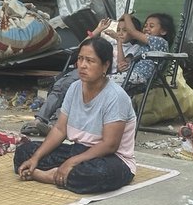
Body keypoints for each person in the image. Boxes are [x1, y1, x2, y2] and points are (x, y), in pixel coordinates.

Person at [15, 36, 137, 194]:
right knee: (24, 152)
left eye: (90, 61)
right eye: (80, 59)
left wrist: (72, 162)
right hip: (79, 150)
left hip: (111, 158)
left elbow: (110, 145)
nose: (82, 66)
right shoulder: (74, 88)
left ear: (105, 65)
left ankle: (49, 176)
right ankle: (57, 173)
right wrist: (36, 157)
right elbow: (59, 129)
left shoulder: (116, 96)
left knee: (97, 175)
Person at [21, 16, 143, 137]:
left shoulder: (134, 48)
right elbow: (83, 47)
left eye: (125, 30)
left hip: (103, 75)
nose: (120, 33)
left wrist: (119, 42)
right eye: (118, 30)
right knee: (61, 86)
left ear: (133, 33)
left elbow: (122, 65)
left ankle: (54, 126)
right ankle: (40, 120)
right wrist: (98, 29)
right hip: (84, 70)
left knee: (76, 92)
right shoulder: (107, 42)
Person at [117, 12, 173, 87]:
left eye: (151, 26)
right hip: (130, 75)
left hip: (140, 77)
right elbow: (124, 63)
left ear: (163, 31)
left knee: (104, 84)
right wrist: (122, 66)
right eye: (145, 26)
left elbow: (132, 32)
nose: (146, 28)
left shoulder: (160, 42)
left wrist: (126, 16)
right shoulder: (143, 46)